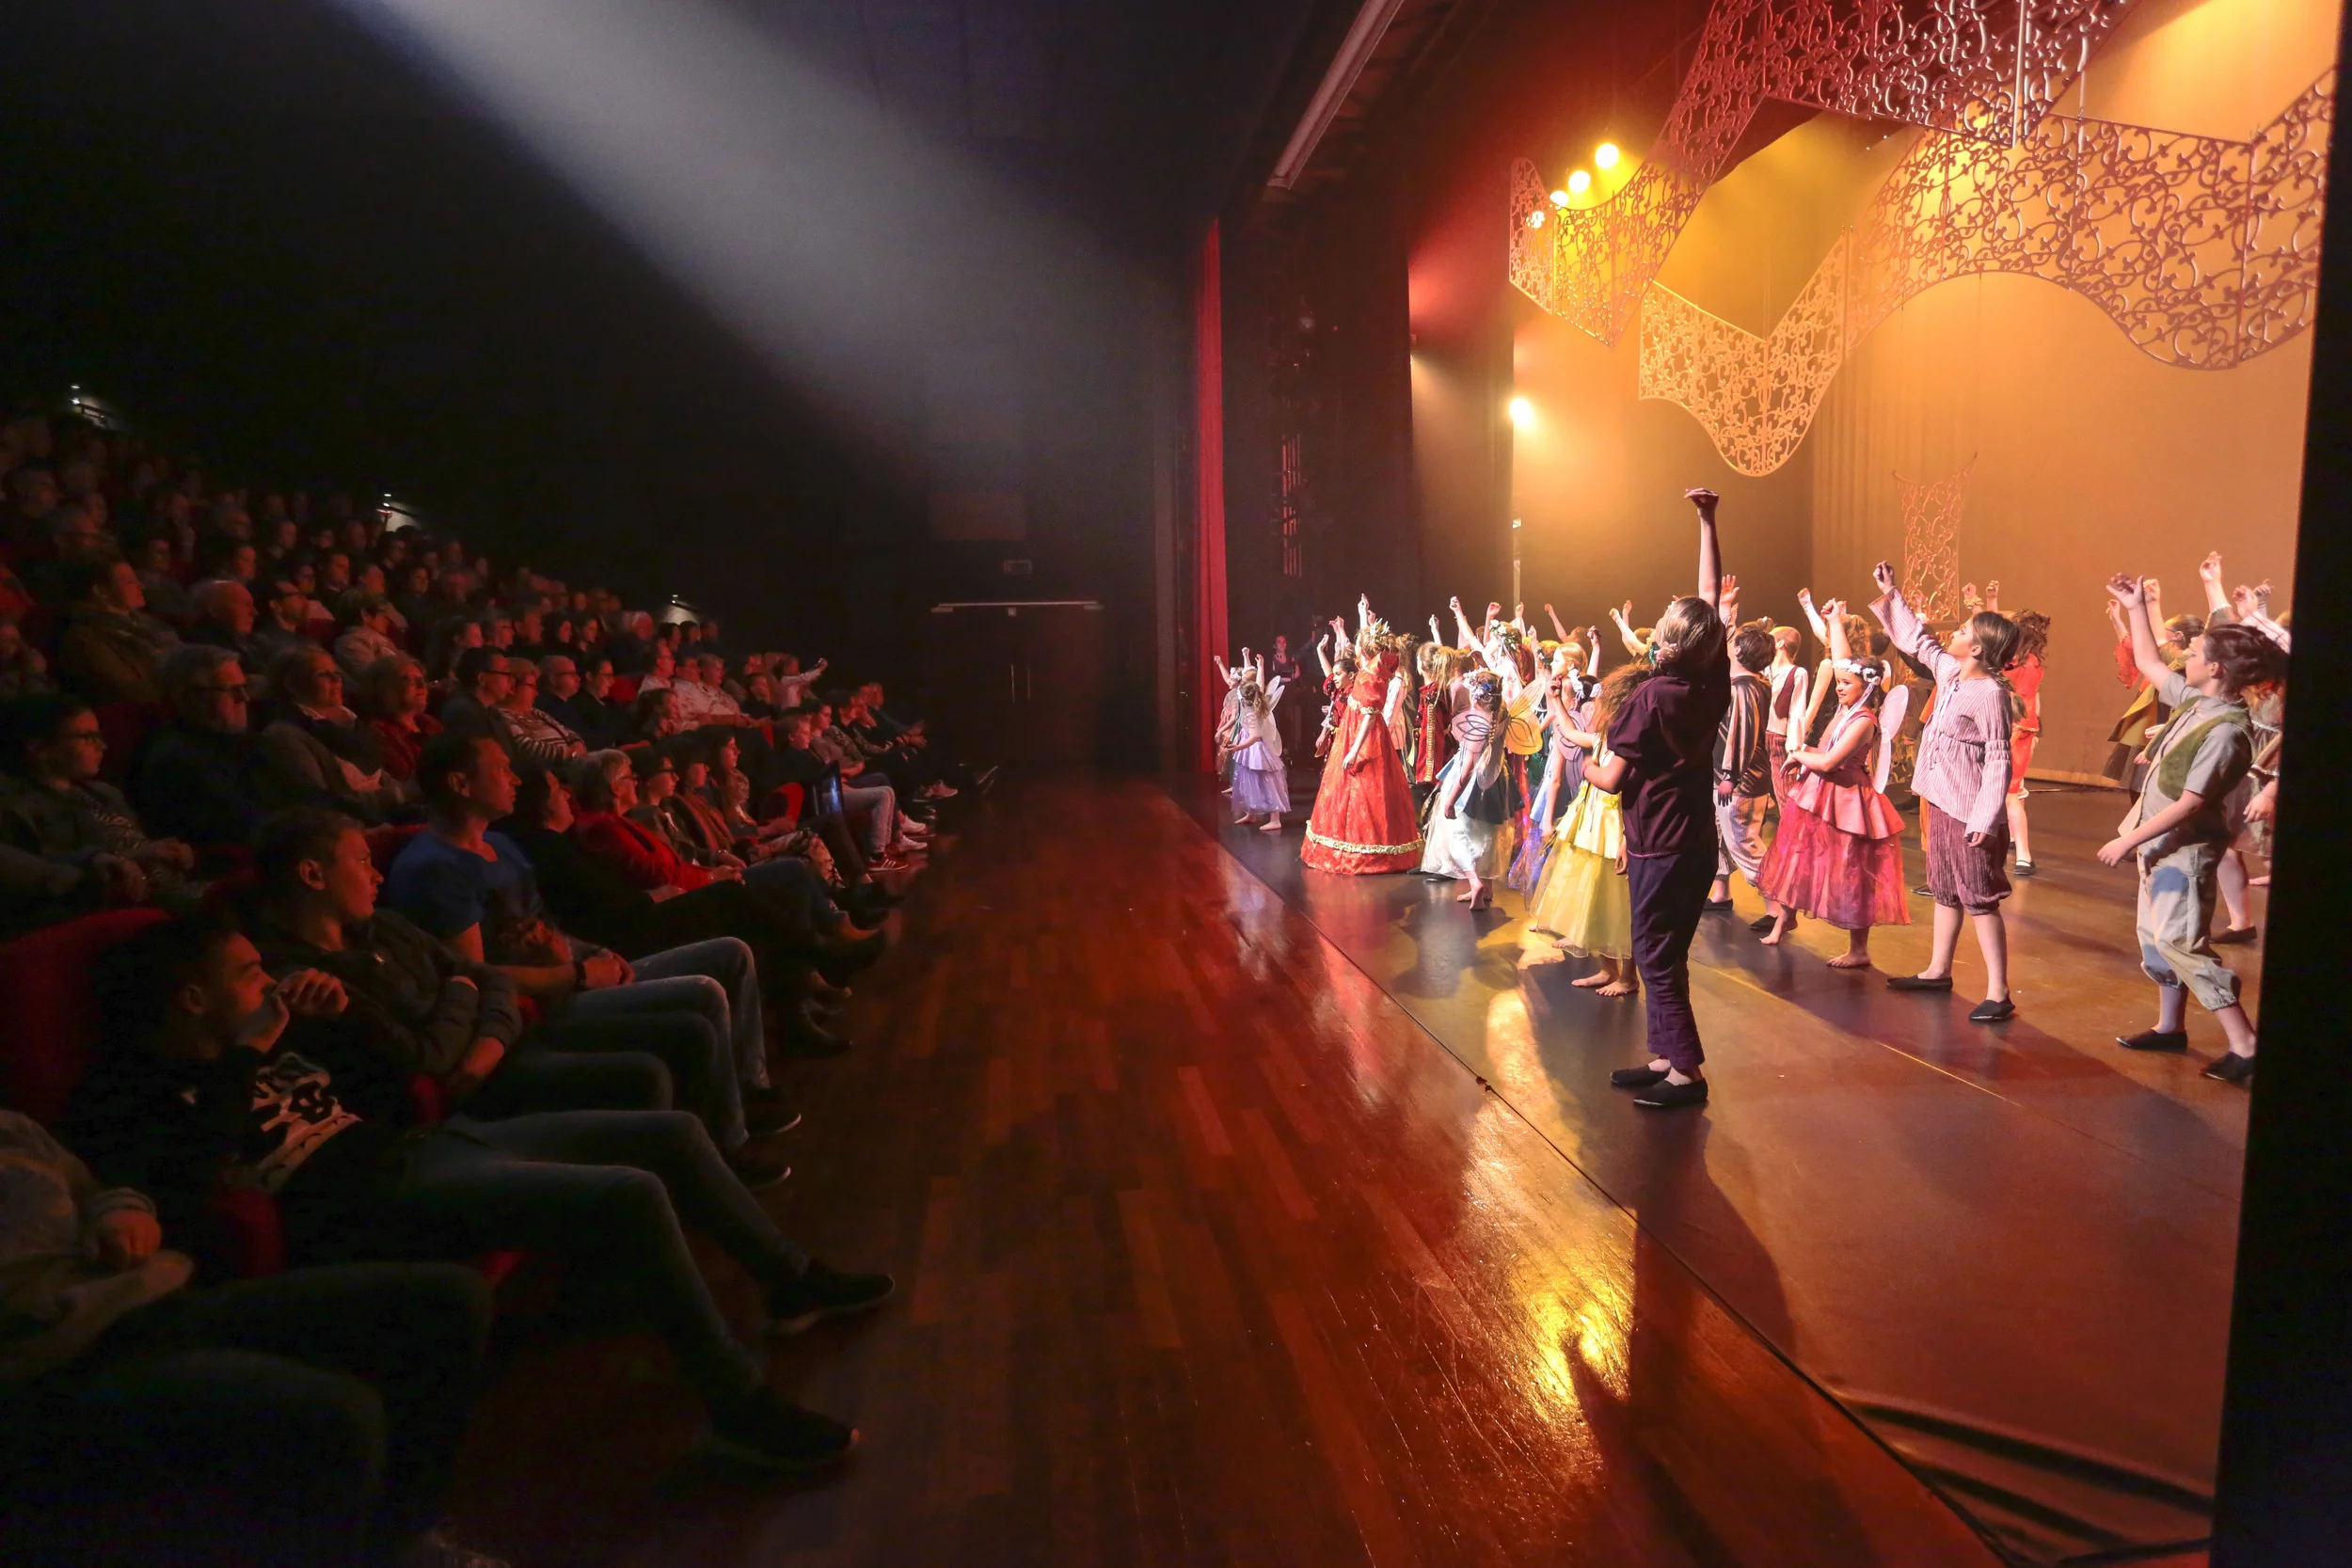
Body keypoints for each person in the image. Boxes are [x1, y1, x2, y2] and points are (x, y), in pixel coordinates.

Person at [63, 912, 892, 1475]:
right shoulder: (131, 1093)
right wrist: (246, 1054)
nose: (267, 983)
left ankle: (790, 1279)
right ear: (193, 997)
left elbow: (395, 1084)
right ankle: (738, 1407)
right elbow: (184, 1183)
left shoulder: (270, 1034)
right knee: (632, 1191)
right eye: (249, 973)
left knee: (668, 1131)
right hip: (372, 1197)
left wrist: (340, 1018)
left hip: (427, 1145)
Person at [0, 1108, 503, 1568]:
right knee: (340, 1414)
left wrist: (123, 1211)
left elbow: (97, 1189)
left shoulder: (13, 1128)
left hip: (155, 1300)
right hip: (58, 1364)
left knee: (452, 1298)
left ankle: (401, 1543)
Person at [384, 735, 793, 1179]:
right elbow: (476, 976)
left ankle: (747, 1095)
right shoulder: (435, 867)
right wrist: (579, 972)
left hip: (572, 969)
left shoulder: (499, 844)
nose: (515, 780)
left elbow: (547, 927)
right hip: (540, 1005)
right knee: (705, 993)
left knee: (730, 953)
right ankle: (730, 1142)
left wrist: (593, 953)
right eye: (502, 769)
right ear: (460, 784)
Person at [1581, 488, 1730, 1110]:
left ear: (1663, 641)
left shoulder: (1648, 698)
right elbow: (1711, 603)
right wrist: (1707, 521)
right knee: (1668, 952)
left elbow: (1611, 779)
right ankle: (1666, 1056)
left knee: (1655, 955)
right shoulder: (1710, 685)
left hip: (1659, 845)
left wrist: (1582, 760)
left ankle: (1686, 1072)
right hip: (1694, 841)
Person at [2099, 574, 2280, 1085]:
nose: (2186, 659)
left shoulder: (2225, 731)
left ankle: (2246, 1044)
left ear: (2215, 668)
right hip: (2160, 846)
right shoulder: (2197, 702)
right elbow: (2149, 661)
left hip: (2184, 851)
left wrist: (2128, 839)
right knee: (2156, 939)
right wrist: (2135, 606)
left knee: (2181, 943)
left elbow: (2191, 803)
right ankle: (2170, 1026)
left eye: (2195, 653)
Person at [1871, 560, 2020, 1022]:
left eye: (1962, 630)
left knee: (1979, 898)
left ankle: (1999, 992)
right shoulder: (1951, 674)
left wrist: (1984, 818)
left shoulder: (1990, 694)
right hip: (1940, 800)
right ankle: (1938, 970)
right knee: (1945, 890)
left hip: (1969, 811)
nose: (1952, 632)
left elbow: (1999, 759)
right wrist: (1892, 594)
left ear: (1976, 648)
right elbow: (1918, 641)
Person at [1756, 608, 1911, 969]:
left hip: (1847, 799)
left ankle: (1859, 949)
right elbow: (1842, 659)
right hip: (1819, 792)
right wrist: (1835, 621)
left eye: (1845, 684)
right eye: (1838, 682)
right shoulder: (1847, 708)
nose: (1838, 687)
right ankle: (1785, 918)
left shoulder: (1864, 721)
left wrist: (1798, 754)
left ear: (1866, 688)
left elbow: (1829, 762)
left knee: (1851, 871)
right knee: (1797, 854)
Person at [0, 694, 199, 935]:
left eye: (100, 736)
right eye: (87, 737)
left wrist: (171, 853)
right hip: (115, 913)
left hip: (169, 891)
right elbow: (37, 867)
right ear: (39, 749)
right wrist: (127, 859)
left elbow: (135, 842)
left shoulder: (103, 793)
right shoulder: (15, 804)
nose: (102, 746)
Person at [1524, 669, 1635, 996]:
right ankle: (1607, 968)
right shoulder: (1602, 740)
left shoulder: (1627, 747)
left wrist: (1589, 769)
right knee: (1594, 900)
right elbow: (1571, 733)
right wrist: (1556, 700)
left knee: (1618, 907)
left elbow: (1624, 792)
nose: (1591, 709)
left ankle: (1628, 976)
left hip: (1610, 831)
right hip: (1590, 828)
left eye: (1597, 704)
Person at [1300, 596, 1422, 874]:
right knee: (1347, 788)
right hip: (1351, 728)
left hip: (1364, 734)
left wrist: (1355, 749)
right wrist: (1362, 613)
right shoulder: (1368, 667)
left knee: (1366, 786)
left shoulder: (1373, 675)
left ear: (1367, 649)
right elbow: (1357, 645)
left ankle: (1367, 848)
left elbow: (1369, 715)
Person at [1420, 670, 1515, 909]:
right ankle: (1486, 888)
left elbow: (1468, 770)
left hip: (1473, 787)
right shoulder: (1501, 714)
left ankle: (1475, 882)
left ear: (1475, 695)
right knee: (1485, 835)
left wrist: (1450, 800)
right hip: (1494, 780)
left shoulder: (1478, 723)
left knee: (1458, 835)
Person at [1705, 621, 1773, 914]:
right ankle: (1721, 893)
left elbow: (1741, 734)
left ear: (1739, 650)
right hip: (1727, 777)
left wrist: (1730, 776)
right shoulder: (1751, 684)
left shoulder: (1744, 689)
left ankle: (1778, 908)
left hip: (1739, 781)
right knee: (1718, 837)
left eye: (1733, 641)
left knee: (1743, 843)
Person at [54, 553, 179, 706]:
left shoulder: (148, 624)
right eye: (130, 581)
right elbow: (126, 689)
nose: (141, 586)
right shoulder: (84, 638)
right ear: (101, 591)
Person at [1220, 654, 1290, 831]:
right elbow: (1258, 684)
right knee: (1248, 780)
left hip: (1257, 750)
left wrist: (1237, 747)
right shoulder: (1252, 703)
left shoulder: (1252, 713)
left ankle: (1275, 819)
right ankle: (1251, 813)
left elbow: (1255, 737)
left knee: (1267, 782)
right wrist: (1260, 666)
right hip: (1249, 749)